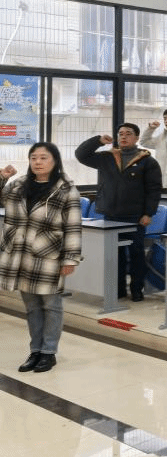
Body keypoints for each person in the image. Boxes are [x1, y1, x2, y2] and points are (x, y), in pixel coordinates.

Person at [0, 144, 82, 373]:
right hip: (20, 254)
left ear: (55, 160)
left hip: (49, 256)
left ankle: (48, 352)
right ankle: (35, 350)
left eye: (43, 158)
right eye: (34, 158)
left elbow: (73, 226)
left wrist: (70, 259)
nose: (38, 162)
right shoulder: (18, 185)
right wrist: (2, 178)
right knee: (32, 307)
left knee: (51, 305)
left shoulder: (66, 189)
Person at [76, 124, 162, 301]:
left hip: (135, 216)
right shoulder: (107, 157)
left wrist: (148, 213)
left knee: (136, 254)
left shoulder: (147, 161)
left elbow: (154, 190)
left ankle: (137, 289)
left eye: (128, 134)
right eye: (120, 134)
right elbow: (81, 155)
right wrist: (98, 141)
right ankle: (119, 289)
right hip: (111, 214)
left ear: (136, 138)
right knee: (115, 254)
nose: (123, 137)